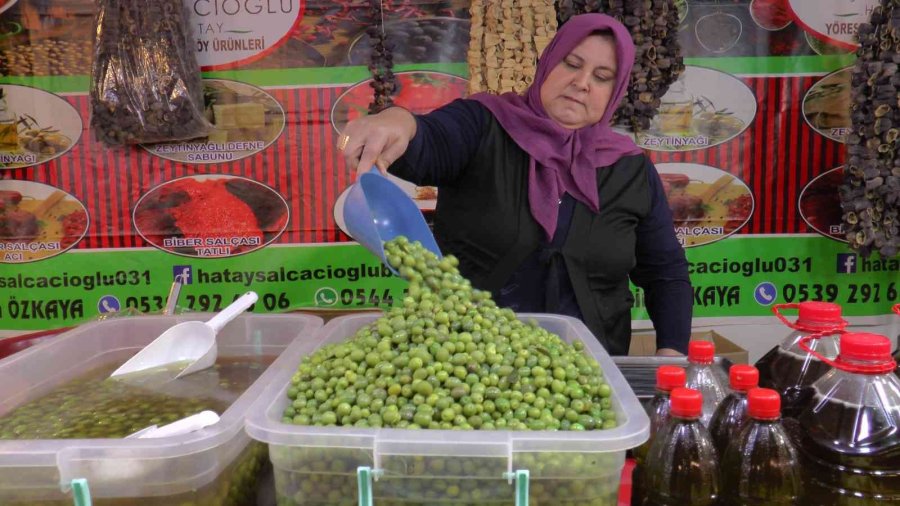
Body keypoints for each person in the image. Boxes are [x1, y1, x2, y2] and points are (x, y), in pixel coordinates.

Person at [338, 13, 691, 356]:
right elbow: (429, 140)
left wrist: (672, 351)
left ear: (615, 92)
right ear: (547, 63)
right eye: (571, 63)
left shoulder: (630, 170)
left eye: (602, 76)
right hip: (467, 368)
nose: (582, 82)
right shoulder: (483, 126)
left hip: (592, 378)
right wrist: (396, 120)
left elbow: (666, 272)